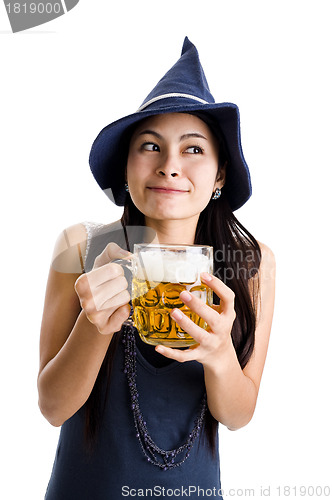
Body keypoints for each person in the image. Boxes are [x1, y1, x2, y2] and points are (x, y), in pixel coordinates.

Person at [38, 37, 276, 499]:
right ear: (126, 169)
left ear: (220, 175)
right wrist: (94, 324)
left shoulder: (251, 262)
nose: (170, 167)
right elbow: (52, 407)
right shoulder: (82, 245)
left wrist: (218, 352)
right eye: (150, 146)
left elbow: (238, 415)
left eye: (193, 150)